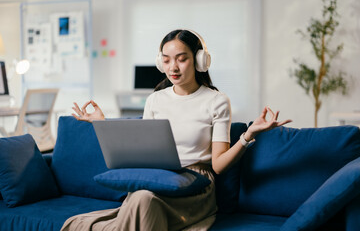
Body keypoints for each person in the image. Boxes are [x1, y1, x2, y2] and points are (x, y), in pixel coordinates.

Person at [64, 29, 292, 231]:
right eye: (166, 60)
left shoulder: (217, 101)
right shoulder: (154, 100)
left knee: (142, 200)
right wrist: (102, 123)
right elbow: (142, 152)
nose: (173, 67)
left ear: (199, 61)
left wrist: (248, 135)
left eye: (181, 59)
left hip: (194, 185)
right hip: (157, 180)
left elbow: (218, 165)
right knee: (139, 198)